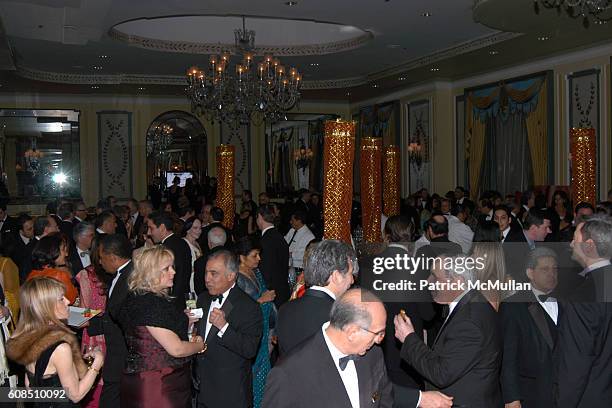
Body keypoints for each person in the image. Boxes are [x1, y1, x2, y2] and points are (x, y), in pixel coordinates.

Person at [394, 254, 502, 408]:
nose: (428, 281)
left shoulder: (469, 322)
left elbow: (441, 373)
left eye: (435, 277)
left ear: (457, 282)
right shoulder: (472, 304)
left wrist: (409, 338)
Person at [263, 289, 397, 408]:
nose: (379, 340)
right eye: (378, 333)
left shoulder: (373, 354)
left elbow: (385, 400)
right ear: (352, 332)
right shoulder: (288, 375)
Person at [361, 215, 436, 405]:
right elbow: (428, 314)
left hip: (376, 345)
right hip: (407, 350)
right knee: (411, 400)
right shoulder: (417, 267)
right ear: (411, 236)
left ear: (386, 235)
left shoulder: (369, 264)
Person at [118, 246, 205, 408]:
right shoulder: (151, 304)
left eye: (172, 267)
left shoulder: (138, 297)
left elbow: (150, 331)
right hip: (158, 384)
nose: (173, 272)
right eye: (166, 268)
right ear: (151, 273)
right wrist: (200, 346)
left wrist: (183, 320)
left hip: (146, 379)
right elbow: (176, 349)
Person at [6, 277, 105, 406]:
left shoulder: (27, 336)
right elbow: (75, 395)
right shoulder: (60, 348)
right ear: (46, 307)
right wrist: (97, 362)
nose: (68, 301)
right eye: (61, 298)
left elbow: (29, 386)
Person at [554, 215, 612, 407]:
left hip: (591, 397)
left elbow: (576, 363)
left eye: (575, 239)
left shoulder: (582, 297)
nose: (571, 244)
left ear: (589, 246)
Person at [194, 250, 263, 408]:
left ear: (231, 276)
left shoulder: (248, 307)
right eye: (206, 273)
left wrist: (223, 327)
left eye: (214, 274)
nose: (207, 279)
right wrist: (190, 325)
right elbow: (200, 338)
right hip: (201, 389)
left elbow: (249, 349)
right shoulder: (203, 299)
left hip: (230, 394)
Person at [500, 247, 559, 408]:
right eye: (545, 269)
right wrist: (512, 399)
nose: (551, 274)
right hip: (532, 394)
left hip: (565, 392)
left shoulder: (568, 302)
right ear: (530, 273)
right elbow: (508, 357)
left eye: (555, 269)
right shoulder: (513, 306)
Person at [276, 240, 355, 356]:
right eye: (350, 273)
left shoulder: (285, 309)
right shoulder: (341, 316)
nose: (352, 280)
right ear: (336, 276)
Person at [234, 237, 276, 408]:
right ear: (242, 257)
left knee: (263, 375)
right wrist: (261, 300)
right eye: (254, 255)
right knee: (252, 375)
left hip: (264, 330)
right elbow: (233, 309)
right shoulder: (235, 278)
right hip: (250, 333)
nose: (259, 259)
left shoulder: (256, 272)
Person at [96, 234, 133, 407]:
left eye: (102, 258)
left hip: (123, 356)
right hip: (118, 356)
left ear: (113, 258)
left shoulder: (131, 277)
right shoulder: (120, 275)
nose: (100, 263)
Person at [75, 237, 109, 408]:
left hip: (94, 338)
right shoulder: (120, 273)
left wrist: (94, 313)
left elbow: (81, 317)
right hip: (115, 336)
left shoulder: (86, 275)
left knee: (93, 383)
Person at [147, 212, 192, 311]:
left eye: (151, 228)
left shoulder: (165, 249)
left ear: (162, 227)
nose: (149, 233)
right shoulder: (183, 242)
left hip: (171, 302)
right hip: (185, 299)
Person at [27, 233, 78, 304]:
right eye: (63, 250)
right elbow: (71, 299)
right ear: (53, 252)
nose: (66, 254)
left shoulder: (33, 273)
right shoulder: (60, 275)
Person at [257, 204, 290, 308]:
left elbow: (266, 270)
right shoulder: (280, 237)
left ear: (259, 217)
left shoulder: (266, 241)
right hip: (283, 291)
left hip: (271, 296)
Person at [181, 216, 203, 294]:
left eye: (200, 228)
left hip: (197, 280)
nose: (199, 231)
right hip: (189, 281)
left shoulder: (197, 243)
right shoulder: (183, 243)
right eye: (195, 228)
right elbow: (182, 268)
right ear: (188, 229)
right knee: (191, 303)